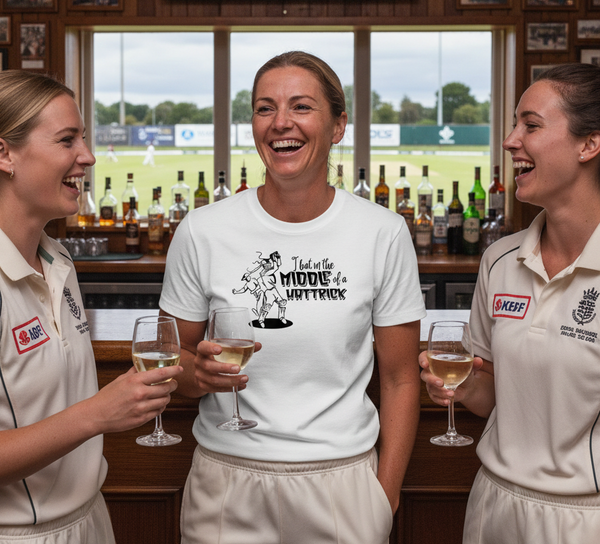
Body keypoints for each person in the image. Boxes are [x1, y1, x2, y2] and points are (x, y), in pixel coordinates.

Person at [159, 50, 426, 544]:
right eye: (264, 108)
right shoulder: (201, 230)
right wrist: (195, 374)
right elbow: (169, 359)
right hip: (226, 481)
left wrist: (382, 499)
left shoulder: (383, 233)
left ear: (338, 125)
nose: (281, 122)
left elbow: (400, 377)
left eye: (301, 107)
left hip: (342, 483)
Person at [419, 63, 600, 544]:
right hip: (493, 504)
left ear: (589, 144)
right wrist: (456, 385)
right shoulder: (500, 258)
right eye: (515, 123)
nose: (510, 140)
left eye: (531, 125)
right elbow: (494, 395)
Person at [0, 71, 181, 543]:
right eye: (67, 140)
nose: (89, 156)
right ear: (4, 154)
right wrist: (98, 413)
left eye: (83, 137)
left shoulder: (58, 258)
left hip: (89, 520)